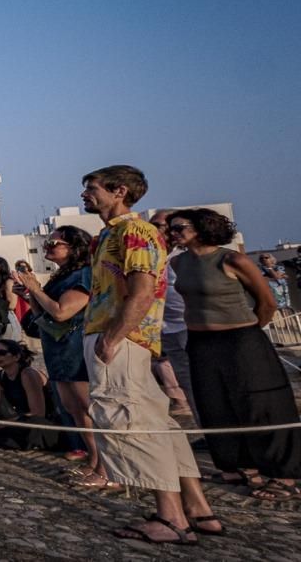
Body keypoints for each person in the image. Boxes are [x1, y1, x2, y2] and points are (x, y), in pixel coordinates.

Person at [79, 165, 220, 545]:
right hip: (119, 337)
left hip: (122, 339)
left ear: (119, 191)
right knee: (159, 424)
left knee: (132, 420)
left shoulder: (135, 231)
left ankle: (171, 518)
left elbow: (142, 291)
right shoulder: (110, 234)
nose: (85, 195)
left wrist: (112, 338)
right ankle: (196, 508)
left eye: (92, 188)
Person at [170, 207, 301, 500]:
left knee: (260, 405)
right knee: (215, 404)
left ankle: (283, 474)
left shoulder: (231, 259)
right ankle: (239, 466)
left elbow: (266, 302)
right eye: (172, 229)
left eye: (179, 228)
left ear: (202, 227)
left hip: (240, 339)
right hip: (201, 341)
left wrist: (247, 332)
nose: (174, 234)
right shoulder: (178, 262)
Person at [17, 225, 103, 480]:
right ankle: (93, 458)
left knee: (87, 407)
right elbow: (43, 314)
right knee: (73, 408)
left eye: (54, 244)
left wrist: (35, 289)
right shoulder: (60, 276)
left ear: (74, 248)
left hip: (75, 345)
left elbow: (62, 312)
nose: (47, 248)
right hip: (56, 347)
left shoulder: (83, 274)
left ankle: (105, 464)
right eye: (47, 244)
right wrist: (31, 293)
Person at [0, 339, 60, 451]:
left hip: (42, 421)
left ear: (16, 357)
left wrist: (0, 424)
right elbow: (2, 408)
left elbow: (38, 413)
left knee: (31, 426)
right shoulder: (0, 376)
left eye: (1, 352)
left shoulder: (28, 374)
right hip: (20, 416)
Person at [149, 210, 196, 420]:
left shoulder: (187, 257)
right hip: (166, 329)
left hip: (192, 327)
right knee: (187, 383)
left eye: (159, 225)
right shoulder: (150, 255)